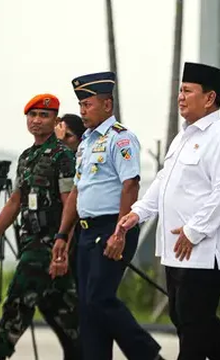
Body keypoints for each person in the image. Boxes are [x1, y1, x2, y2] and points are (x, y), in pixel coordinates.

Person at [116, 62, 220, 360]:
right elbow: (164, 182)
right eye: (180, 90)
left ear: (209, 97)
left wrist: (194, 230)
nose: (180, 96)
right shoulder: (184, 137)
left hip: (204, 249)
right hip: (176, 249)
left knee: (193, 324)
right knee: (188, 320)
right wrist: (139, 212)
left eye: (188, 91)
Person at [50, 71, 164, 360]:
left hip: (113, 226)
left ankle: (148, 355)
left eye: (87, 105)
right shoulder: (86, 143)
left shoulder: (121, 139)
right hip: (87, 231)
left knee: (100, 299)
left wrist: (120, 232)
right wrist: (63, 234)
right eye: (80, 106)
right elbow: (77, 191)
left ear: (107, 105)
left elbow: (131, 184)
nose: (82, 112)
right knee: (87, 308)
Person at [0, 94, 80, 360]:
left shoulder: (62, 156)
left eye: (44, 116)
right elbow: (15, 201)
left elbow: (70, 204)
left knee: (16, 304)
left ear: (55, 120)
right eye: (32, 116)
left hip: (47, 247)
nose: (37, 121)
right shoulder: (27, 157)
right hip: (30, 242)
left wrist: (62, 247)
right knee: (66, 316)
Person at [53, 113, 86, 286]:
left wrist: (59, 144)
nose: (64, 140)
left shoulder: (78, 159)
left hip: (76, 233)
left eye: (68, 136)